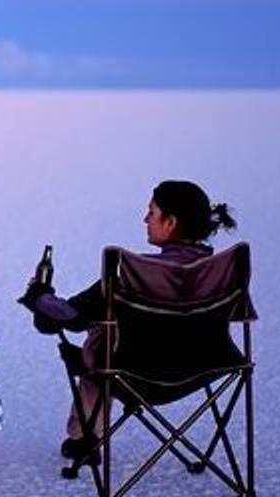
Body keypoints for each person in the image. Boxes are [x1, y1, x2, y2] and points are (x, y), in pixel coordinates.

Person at [22, 180, 237, 464]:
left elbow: (72, 316)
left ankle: (84, 438)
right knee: (109, 338)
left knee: (101, 344)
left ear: (171, 222)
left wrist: (39, 297)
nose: (145, 219)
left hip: (134, 371)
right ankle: (92, 365)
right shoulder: (220, 272)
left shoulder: (138, 273)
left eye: (151, 212)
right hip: (206, 365)